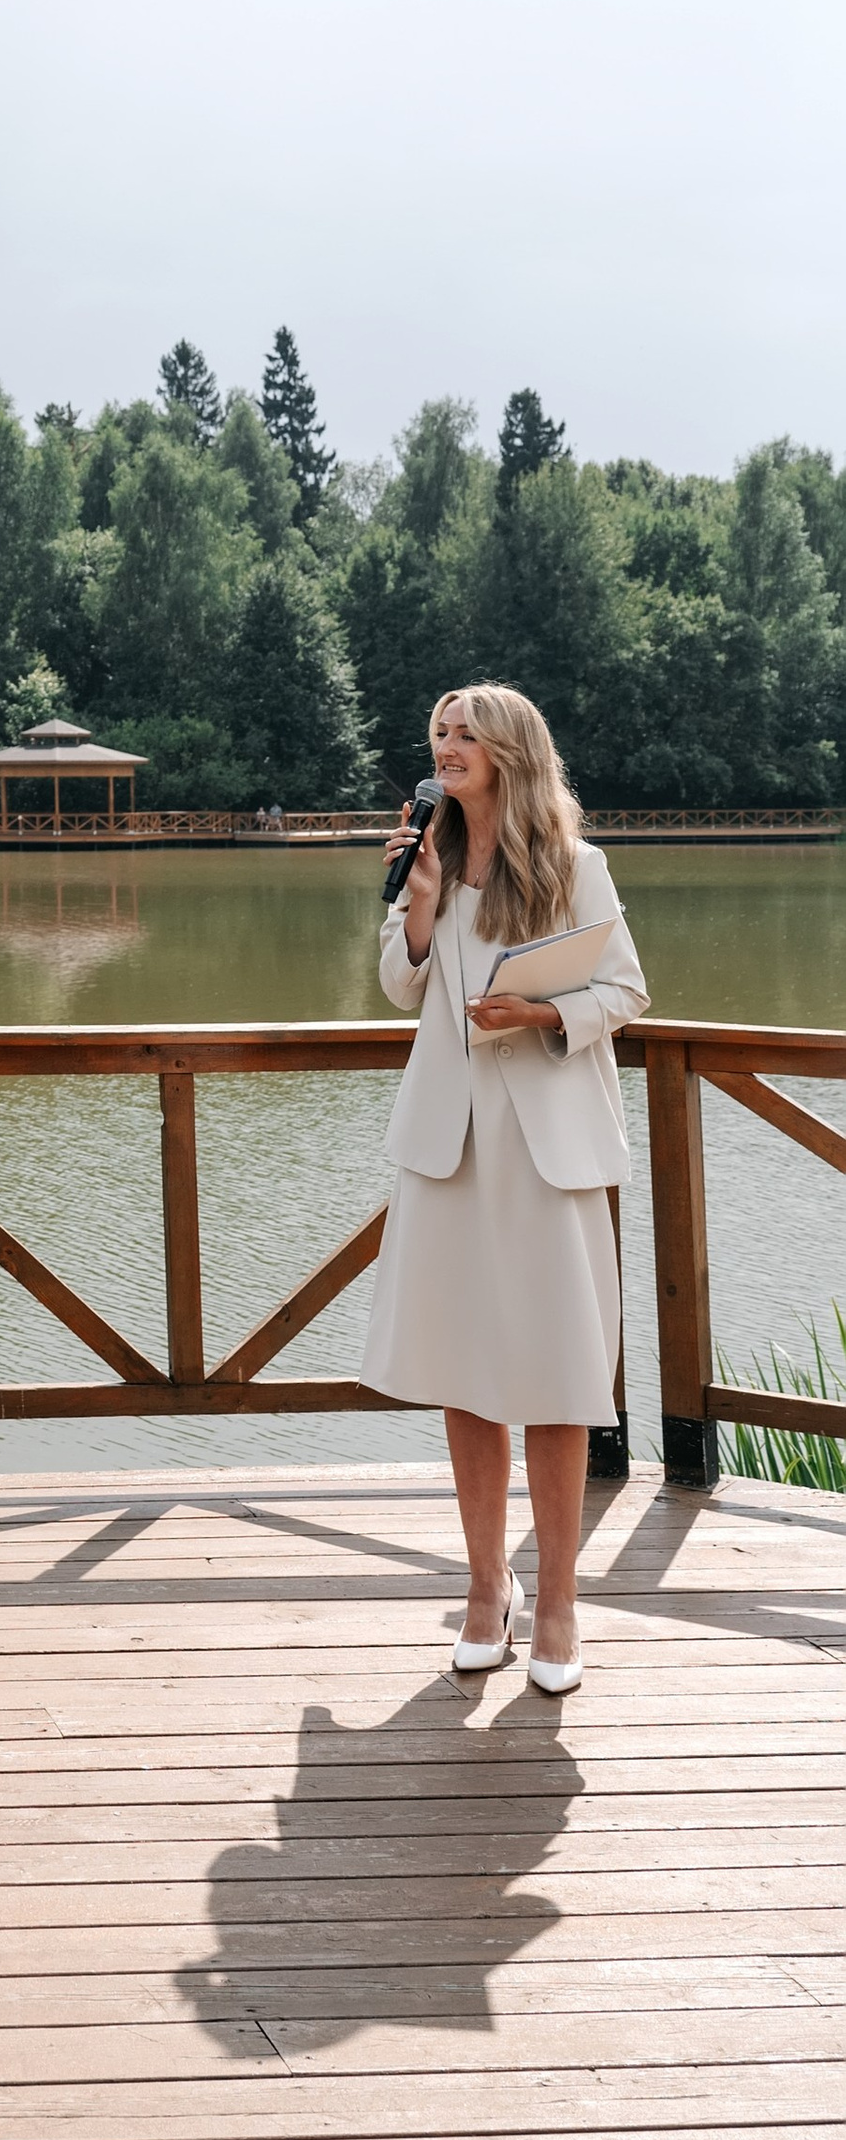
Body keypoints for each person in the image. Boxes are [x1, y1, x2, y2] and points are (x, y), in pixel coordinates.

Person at [362, 683, 646, 1696]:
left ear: (511, 749)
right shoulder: (428, 856)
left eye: (463, 731)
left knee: (559, 1373)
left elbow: (624, 988)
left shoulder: (576, 865)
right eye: (436, 730)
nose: (445, 744)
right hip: (449, 1145)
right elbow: (398, 986)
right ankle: (487, 1589)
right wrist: (421, 902)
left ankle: (560, 1597)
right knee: (463, 1365)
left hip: (547, 1148)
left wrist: (537, 1011)